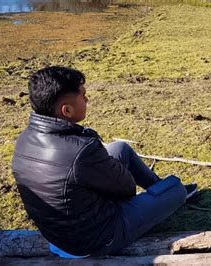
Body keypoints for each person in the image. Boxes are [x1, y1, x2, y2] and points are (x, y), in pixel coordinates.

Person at [11, 66, 198, 257]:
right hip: (94, 240)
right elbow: (126, 189)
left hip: (58, 234)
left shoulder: (24, 138)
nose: (87, 99)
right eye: (83, 96)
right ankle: (167, 192)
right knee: (176, 188)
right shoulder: (81, 152)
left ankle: (158, 189)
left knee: (120, 148)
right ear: (66, 110)